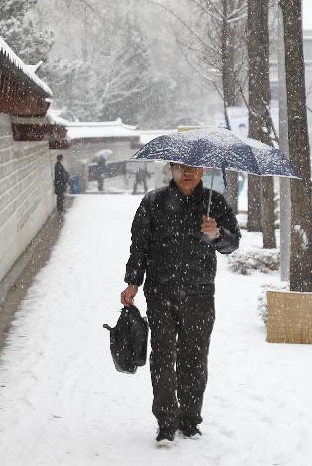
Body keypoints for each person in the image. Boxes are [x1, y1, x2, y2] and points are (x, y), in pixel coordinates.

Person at [120, 162, 240, 445]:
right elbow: (139, 245)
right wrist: (133, 281)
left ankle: (189, 420)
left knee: (194, 359)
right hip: (161, 293)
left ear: (202, 172)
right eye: (182, 168)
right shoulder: (153, 202)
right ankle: (165, 421)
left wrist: (217, 235)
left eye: (195, 168)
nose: (189, 173)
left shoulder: (215, 202)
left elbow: (233, 243)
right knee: (162, 357)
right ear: (171, 168)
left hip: (199, 294)